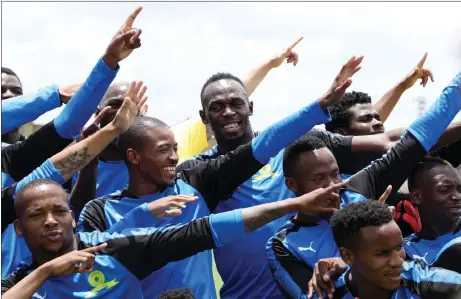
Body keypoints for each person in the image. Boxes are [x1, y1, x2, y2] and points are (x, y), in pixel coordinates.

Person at [77, 55, 362, 298]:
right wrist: (143, 214)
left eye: (175, 149)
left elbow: (262, 146)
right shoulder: (99, 210)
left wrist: (319, 105)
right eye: (164, 150)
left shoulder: (192, 183)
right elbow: (89, 251)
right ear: (134, 157)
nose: (175, 158)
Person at [265, 71, 461, 298]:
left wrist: (456, 88)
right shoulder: (283, 245)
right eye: (319, 180)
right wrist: (352, 268)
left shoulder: (357, 189)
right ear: (292, 185)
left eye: (336, 175)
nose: (333, 186)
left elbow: (414, 142)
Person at [2, 176, 345, 299]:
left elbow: (202, 231)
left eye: (59, 212)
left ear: (72, 218)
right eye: (36, 215)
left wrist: (294, 203)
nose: (50, 222)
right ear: (18, 229)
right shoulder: (18, 281)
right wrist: (45, 272)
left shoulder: (115, 250)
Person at [1, 80, 148, 280]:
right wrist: (90, 162)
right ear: (99, 112)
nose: (123, 111)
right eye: (115, 104)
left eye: (131, 105)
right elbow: (73, 214)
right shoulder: (69, 163)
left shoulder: (156, 158)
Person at [322, 200, 461, 299]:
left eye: (399, 247)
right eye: (383, 253)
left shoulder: (431, 284)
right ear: (347, 256)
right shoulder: (326, 293)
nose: (398, 261)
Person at [403, 157, 461, 272]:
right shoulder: (404, 251)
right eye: (444, 190)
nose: (457, 197)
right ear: (417, 197)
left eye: (460, 190)